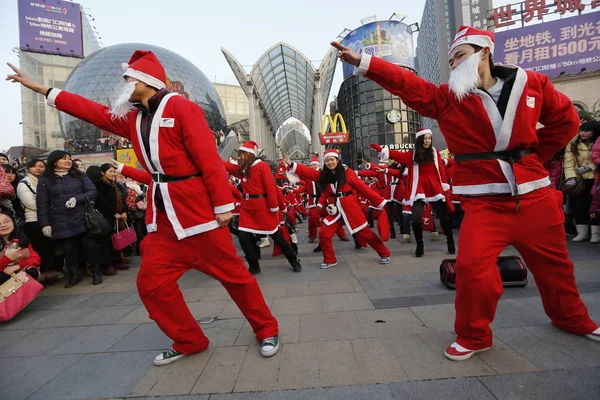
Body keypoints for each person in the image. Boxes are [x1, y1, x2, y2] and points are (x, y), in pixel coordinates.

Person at [331, 25, 599, 360]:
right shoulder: (447, 98)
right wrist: (365, 62)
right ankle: (474, 335)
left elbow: (566, 123)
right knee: (472, 269)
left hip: (535, 196)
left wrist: (529, 157)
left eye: (460, 56)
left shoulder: (532, 83)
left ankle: (570, 318)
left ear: (484, 52)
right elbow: (408, 85)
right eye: (451, 59)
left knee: (556, 266)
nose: (454, 64)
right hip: (485, 203)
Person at [6, 51, 279, 365]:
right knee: (151, 285)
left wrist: (222, 205)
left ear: (147, 81)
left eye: (129, 78)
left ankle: (267, 328)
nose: (124, 83)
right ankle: (189, 339)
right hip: (163, 221)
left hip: (198, 215)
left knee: (235, 278)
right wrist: (43, 89)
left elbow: (208, 159)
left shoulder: (181, 106)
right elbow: (94, 112)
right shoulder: (134, 118)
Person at [285, 149, 391, 269]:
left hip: (351, 209)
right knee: (324, 233)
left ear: (337, 160)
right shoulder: (323, 175)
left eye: (332, 159)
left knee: (366, 233)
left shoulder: (347, 173)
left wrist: (380, 202)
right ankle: (330, 260)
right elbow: (309, 172)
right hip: (335, 210)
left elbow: (362, 188)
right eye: (327, 160)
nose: (330, 162)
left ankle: (384, 253)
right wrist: (291, 164)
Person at [369, 128, 455, 257]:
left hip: (434, 187)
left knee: (443, 217)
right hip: (418, 188)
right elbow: (397, 155)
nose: (427, 141)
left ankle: (450, 241)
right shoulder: (412, 154)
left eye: (429, 138)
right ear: (420, 139)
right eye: (425, 138)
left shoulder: (434, 152)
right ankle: (420, 245)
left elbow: (441, 171)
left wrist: (445, 188)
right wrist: (382, 150)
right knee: (415, 219)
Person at [224, 141, 302, 274]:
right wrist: (213, 158)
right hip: (247, 208)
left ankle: (293, 259)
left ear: (249, 155)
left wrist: (274, 207)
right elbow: (229, 167)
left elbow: (270, 187)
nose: (239, 157)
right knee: (243, 237)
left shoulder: (262, 166)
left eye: (242, 154)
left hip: (262, 207)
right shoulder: (244, 169)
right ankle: (254, 265)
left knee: (276, 235)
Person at [35, 151, 99, 288]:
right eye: (64, 159)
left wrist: (78, 198)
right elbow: (42, 203)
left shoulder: (79, 175)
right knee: (69, 249)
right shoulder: (45, 180)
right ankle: (74, 274)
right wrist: (45, 224)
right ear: (54, 162)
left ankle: (95, 272)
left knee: (90, 246)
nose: (68, 161)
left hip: (82, 216)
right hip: (59, 220)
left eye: (69, 159)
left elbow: (92, 192)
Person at [16, 159, 61, 283]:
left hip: (51, 218)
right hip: (33, 220)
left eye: (41, 166)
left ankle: (51, 274)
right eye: (34, 166)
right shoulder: (24, 184)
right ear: (28, 168)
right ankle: (40, 275)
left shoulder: (48, 182)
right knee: (39, 248)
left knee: (50, 248)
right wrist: (51, 206)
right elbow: (31, 203)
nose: (38, 168)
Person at [563, 120, 600, 243]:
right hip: (579, 179)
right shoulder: (573, 142)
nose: (582, 133)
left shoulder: (597, 142)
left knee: (594, 206)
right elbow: (569, 161)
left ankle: (595, 234)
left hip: (595, 178)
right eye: (581, 130)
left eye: (586, 130)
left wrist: (590, 167)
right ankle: (582, 233)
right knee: (578, 206)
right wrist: (571, 177)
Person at [0, 209, 42, 286]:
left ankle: (22, 296)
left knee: (32, 271)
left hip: (17, 271)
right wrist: (7, 259)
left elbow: (36, 259)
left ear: (13, 222)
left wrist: (18, 265)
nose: (3, 225)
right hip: (3, 274)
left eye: (6, 221)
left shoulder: (21, 240)